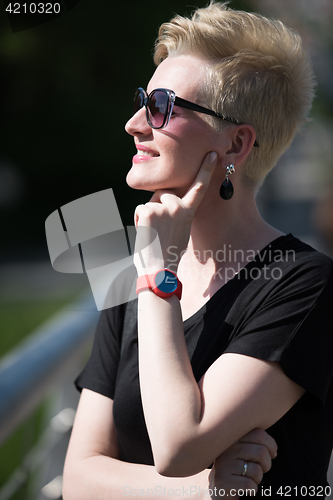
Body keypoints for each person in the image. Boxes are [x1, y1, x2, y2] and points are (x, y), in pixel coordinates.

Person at [63, 2, 333, 499]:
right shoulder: (134, 275)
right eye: (143, 99)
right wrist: (201, 491)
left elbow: (179, 445)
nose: (134, 123)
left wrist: (159, 274)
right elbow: (79, 480)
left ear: (235, 146)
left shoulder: (306, 283)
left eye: (162, 106)